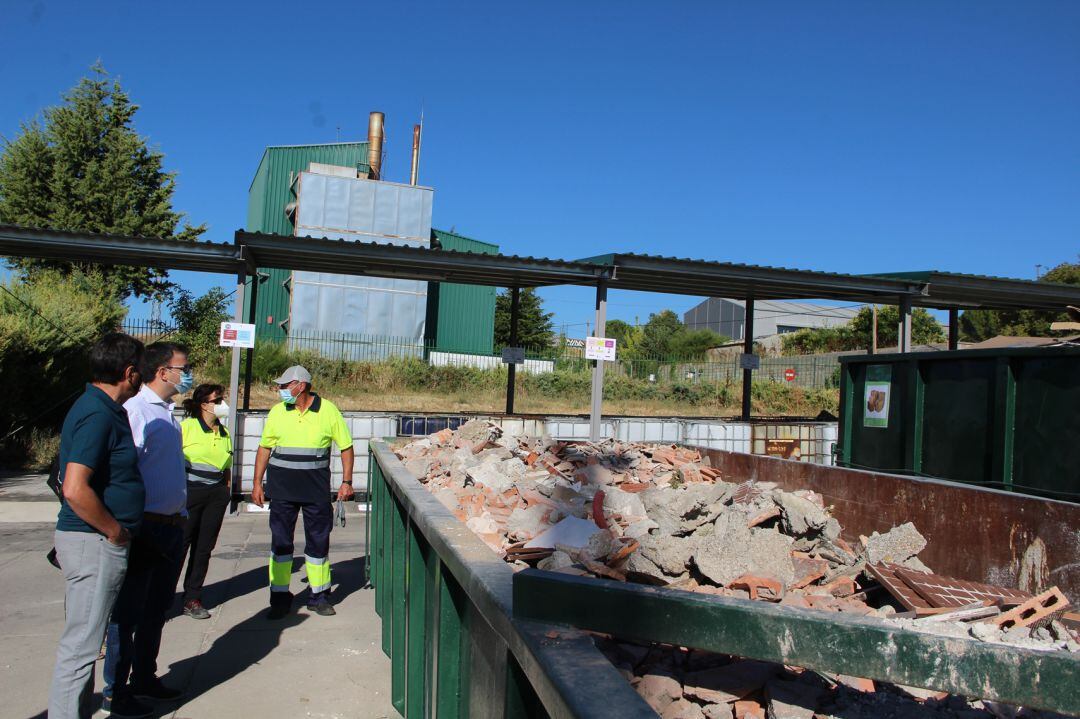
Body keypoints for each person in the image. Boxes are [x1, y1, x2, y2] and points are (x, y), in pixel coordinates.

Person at [48, 333, 145, 719]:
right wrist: (114, 531)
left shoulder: (103, 408)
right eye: (141, 371)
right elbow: (73, 487)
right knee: (82, 647)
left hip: (94, 540)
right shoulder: (97, 413)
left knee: (85, 643)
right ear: (128, 372)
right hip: (93, 542)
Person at [102, 342, 191, 717]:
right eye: (182, 368)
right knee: (128, 615)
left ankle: (144, 678)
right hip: (145, 528)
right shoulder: (136, 411)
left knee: (156, 610)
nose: (187, 374)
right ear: (161, 372)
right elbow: (124, 471)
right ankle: (115, 691)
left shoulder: (169, 413)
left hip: (172, 527)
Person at [252, 365, 354, 619]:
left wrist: (347, 481)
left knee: (318, 542)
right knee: (281, 543)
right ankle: (279, 597)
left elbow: (346, 447)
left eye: (285, 385)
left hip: (315, 491)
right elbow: (264, 448)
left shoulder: (328, 410)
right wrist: (256, 484)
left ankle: (318, 597)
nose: (281, 390)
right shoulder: (277, 412)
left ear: (301, 385)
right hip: (282, 490)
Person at [178, 383, 233, 620]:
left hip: (216, 494)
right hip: (190, 492)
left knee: (204, 549)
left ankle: (192, 597)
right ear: (204, 405)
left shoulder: (224, 432)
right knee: (179, 545)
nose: (222, 404)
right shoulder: (187, 427)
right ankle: (160, 598)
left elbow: (227, 466)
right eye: (217, 400)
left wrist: (225, 492)